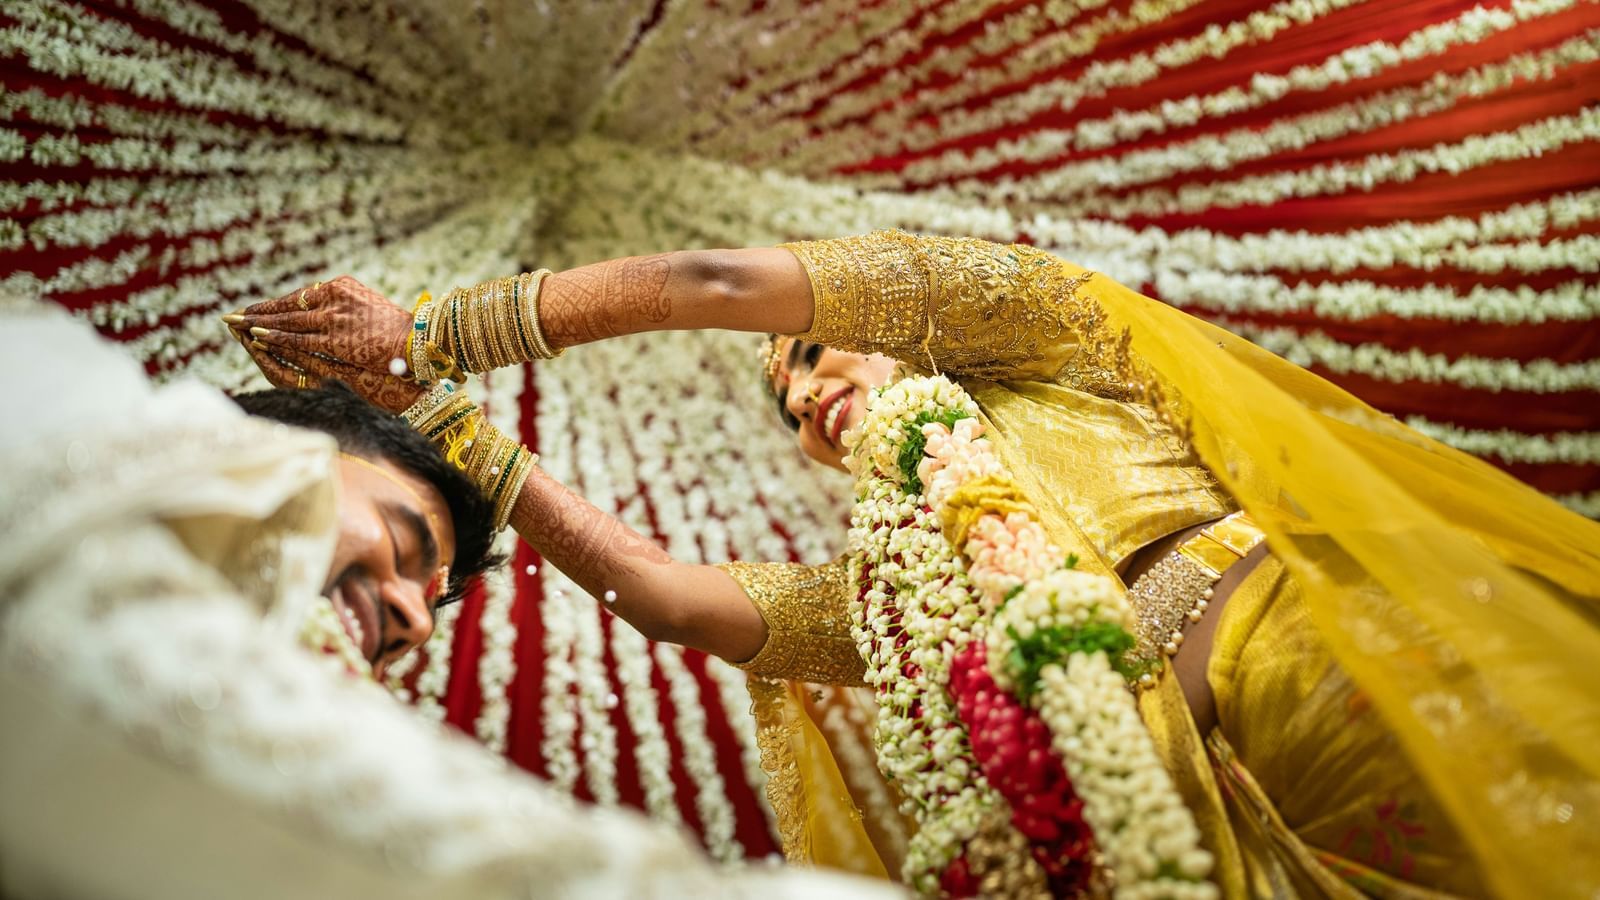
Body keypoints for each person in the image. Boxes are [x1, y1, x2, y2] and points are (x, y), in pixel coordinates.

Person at [231, 231, 1600, 897]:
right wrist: (451, 434)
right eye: (788, 404)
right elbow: (667, 597)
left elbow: (715, 286)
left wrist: (449, 331)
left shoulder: (1048, 345)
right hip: (1224, 843)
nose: (808, 396)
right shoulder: (904, 589)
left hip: (1331, 673)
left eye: (817, 354)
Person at [0, 308, 896, 900]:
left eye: (425, 601)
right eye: (399, 539)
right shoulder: (62, 396)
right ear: (265, 443)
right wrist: (435, 369)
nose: (414, 620)